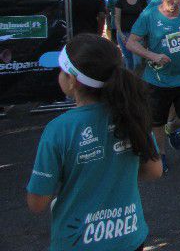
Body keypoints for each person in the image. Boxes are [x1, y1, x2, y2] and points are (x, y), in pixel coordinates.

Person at [26, 34, 162, 250]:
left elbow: (37, 202)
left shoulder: (59, 129)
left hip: (78, 241)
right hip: (129, 235)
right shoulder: (133, 113)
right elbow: (154, 171)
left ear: (71, 81)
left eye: (61, 70)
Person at [126, 0, 180, 174]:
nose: (176, 2)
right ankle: (160, 154)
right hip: (157, 78)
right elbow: (131, 43)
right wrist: (152, 55)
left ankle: (172, 127)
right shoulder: (149, 15)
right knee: (156, 122)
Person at [116, 0, 148, 70]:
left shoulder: (142, 1)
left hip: (137, 35)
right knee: (128, 59)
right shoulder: (120, 1)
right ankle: (129, 82)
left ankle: (136, 81)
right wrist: (121, 34)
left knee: (137, 61)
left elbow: (145, 18)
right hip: (124, 33)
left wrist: (145, 35)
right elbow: (117, 20)